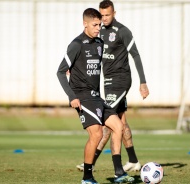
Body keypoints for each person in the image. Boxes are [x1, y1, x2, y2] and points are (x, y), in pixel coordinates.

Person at [57, 8, 134, 184]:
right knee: (97, 134)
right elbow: (60, 72)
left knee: (118, 126)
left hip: (96, 96)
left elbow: (93, 69)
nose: (98, 27)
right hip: (82, 97)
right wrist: (72, 97)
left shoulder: (99, 43)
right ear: (85, 24)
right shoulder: (76, 44)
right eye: (95, 24)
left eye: (100, 24)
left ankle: (119, 173)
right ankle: (87, 178)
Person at [76, 0, 149, 173]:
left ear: (114, 13)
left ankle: (92, 163)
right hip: (107, 81)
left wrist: (143, 82)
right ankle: (133, 160)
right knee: (121, 121)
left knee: (107, 122)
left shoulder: (122, 31)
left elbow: (136, 55)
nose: (104, 18)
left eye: (108, 15)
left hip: (120, 80)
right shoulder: (97, 31)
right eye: (102, 15)